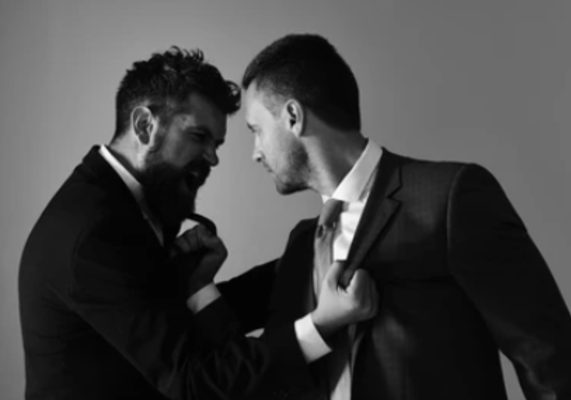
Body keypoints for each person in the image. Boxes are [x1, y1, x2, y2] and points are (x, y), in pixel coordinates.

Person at [241, 33, 571, 400]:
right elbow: (271, 368)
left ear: (293, 117)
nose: (255, 152)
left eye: (256, 130)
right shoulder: (301, 244)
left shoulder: (448, 196)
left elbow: (545, 351)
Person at [18, 46, 378, 400]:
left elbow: (163, 322)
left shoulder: (134, 199)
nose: (213, 158)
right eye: (198, 136)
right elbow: (193, 382)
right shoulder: (93, 232)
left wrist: (318, 258)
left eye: (216, 143)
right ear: (144, 126)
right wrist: (321, 325)